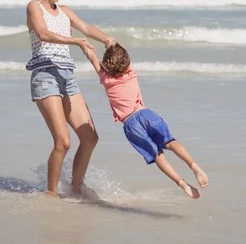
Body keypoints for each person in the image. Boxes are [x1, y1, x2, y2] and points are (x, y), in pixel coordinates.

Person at [20, 0, 115, 198]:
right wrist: (76, 41)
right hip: (45, 77)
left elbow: (86, 28)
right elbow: (43, 33)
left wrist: (107, 40)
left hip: (68, 78)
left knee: (90, 137)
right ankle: (51, 194)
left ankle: (75, 189)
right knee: (63, 141)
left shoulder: (64, 11)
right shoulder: (35, 7)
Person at [80, 43, 208, 199]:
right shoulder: (130, 73)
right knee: (170, 142)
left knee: (157, 155)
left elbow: (91, 56)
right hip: (147, 115)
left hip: (131, 125)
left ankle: (180, 182)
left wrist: (83, 44)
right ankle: (193, 165)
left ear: (106, 64)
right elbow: (120, 55)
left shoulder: (105, 78)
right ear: (127, 63)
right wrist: (110, 42)